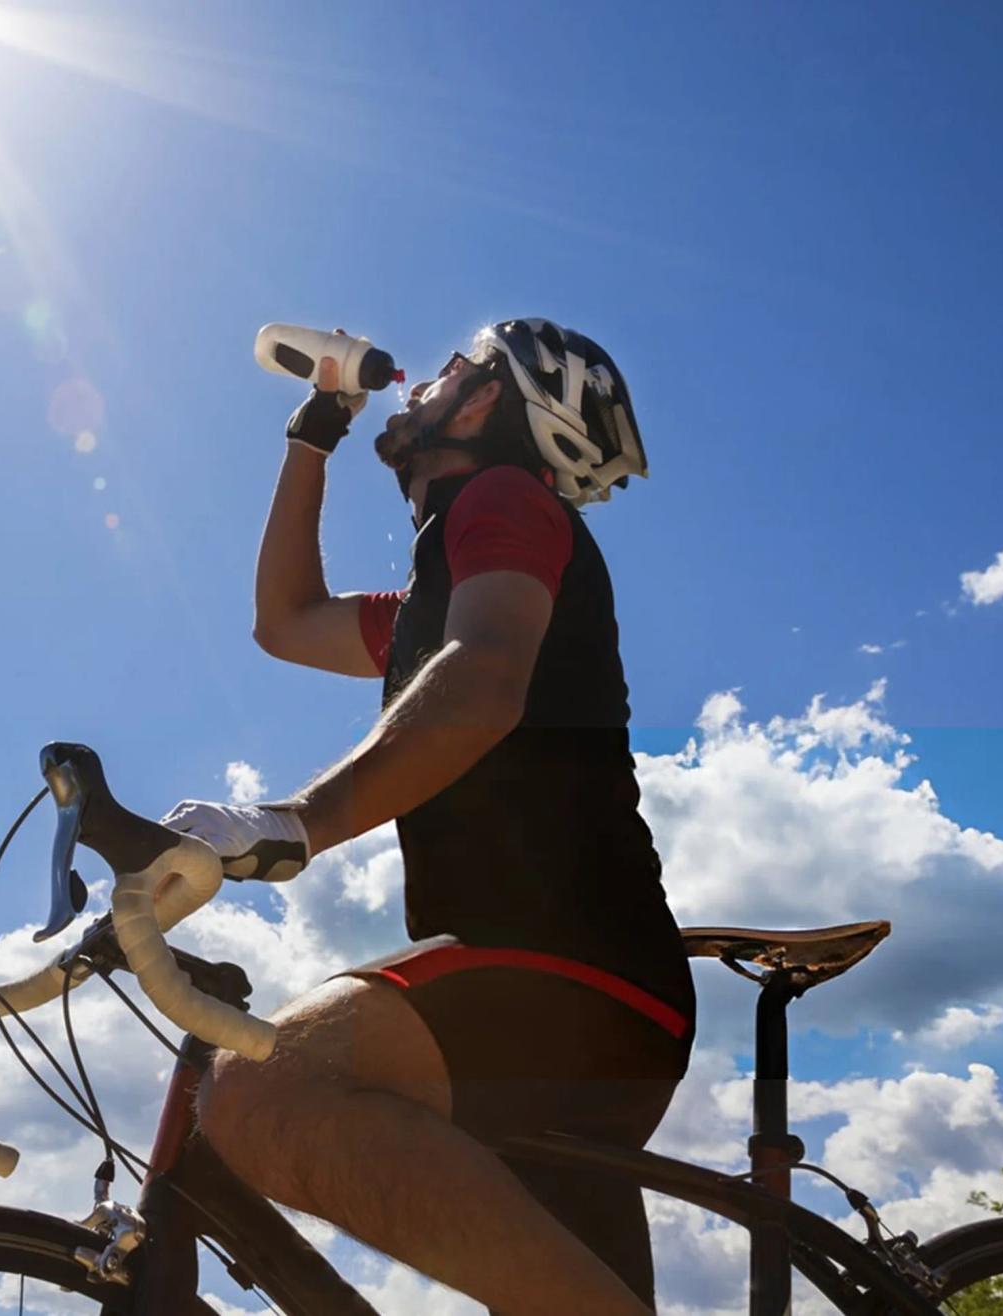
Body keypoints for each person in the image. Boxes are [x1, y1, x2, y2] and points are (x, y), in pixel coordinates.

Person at [166, 319, 691, 1315]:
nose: (424, 381)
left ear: (491, 399)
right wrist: (314, 427)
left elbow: (485, 679)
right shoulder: (431, 596)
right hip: (559, 1000)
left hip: (570, 974)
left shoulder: (504, 503)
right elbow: (284, 618)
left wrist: (297, 821)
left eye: (452, 367)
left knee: (263, 1087)